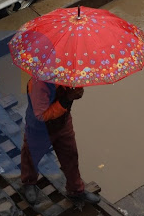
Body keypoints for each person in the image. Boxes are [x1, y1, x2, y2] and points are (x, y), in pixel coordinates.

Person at [20, 77, 100, 206]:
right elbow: (42, 115)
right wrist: (67, 99)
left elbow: (72, 92)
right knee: (31, 156)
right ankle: (29, 182)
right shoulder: (38, 84)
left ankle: (76, 190)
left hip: (63, 123)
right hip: (39, 129)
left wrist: (77, 91)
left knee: (71, 156)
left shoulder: (69, 73)